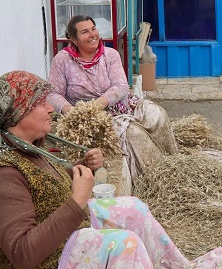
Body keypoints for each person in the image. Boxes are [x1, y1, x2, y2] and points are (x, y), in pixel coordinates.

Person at [0, 70, 189, 269]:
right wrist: (78, 200)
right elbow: (22, 253)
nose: (51, 109)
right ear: (17, 114)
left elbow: (38, 186)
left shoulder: (16, 144)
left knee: (134, 209)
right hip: (34, 265)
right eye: (41, 103)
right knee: (126, 246)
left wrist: (79, 168)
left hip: (52, 235)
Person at [48, 15, 179, 179]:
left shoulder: (110, 55)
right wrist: (71, 111)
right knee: (134, 135)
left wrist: (98, 103)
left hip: (121, 105)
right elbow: (53, 94)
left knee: (158, 114)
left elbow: (121, 86)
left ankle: (173, 160)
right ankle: (150, 176)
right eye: (85, 32)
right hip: (94, 119)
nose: (92, 34)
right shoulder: (62, 60)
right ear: (74, 39)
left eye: (93, 29)